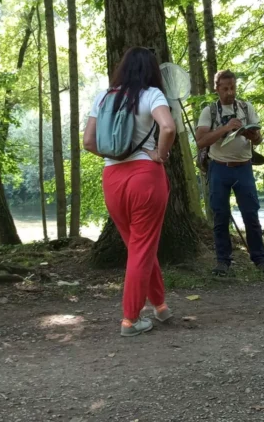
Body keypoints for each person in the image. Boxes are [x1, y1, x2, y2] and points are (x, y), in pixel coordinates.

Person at [83, 47, 177, 337]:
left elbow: (88, 142)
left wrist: (114, 155)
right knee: (142, 248)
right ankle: (130, 319)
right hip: (145, 178)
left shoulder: (103, 97)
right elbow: (168, 127)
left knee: (139, 246)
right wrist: (160, 154)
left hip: (112, 178)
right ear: (151, 70)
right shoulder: (151, 95)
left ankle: (160, 306)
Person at [195, 70, 264, 275]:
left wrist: (252, 135)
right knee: (220, 215)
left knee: (251, 214)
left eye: (233, 88)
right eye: (225, 88)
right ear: (217, 89)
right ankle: (223, 261)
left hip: (244, 167)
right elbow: (201, 141)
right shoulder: (209, 111)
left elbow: (258, 140)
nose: (230, 92)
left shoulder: (246, 108)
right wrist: (225, 128)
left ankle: (260, 259)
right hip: (219, 168)